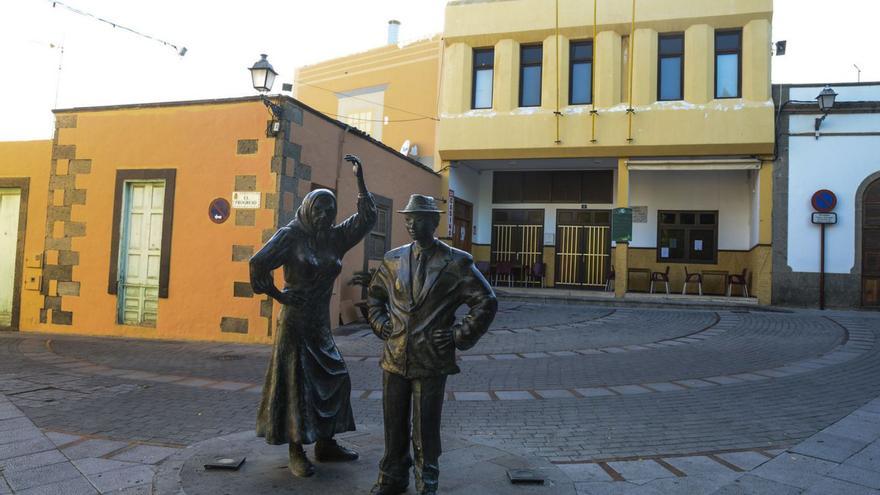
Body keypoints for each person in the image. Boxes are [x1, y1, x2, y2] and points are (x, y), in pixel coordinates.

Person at [250, 154, 376, 478]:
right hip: (295, 322)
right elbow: (257, 263)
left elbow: (366, 219)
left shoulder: (334, 237)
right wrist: (278, 295)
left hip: (320, 323)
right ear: (307, 209)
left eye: (329, 210)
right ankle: (296, 450)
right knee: (298, 387)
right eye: (318, 209)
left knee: (336, 378)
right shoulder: (291, 235)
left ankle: (326, 442)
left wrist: (359, 180)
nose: (324, 215)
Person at [366, 194, 497, 495]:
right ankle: (392, 475)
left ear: (435, 222)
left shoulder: (455, 262)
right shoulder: (392, 259)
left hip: (431, 356)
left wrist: (457, 335)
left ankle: (427, 477)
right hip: (395, 356)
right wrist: (379, 323)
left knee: (426, 426)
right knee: (393, 423)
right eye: (409, 219)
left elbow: (486, 301)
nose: (412, 225)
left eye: (420, 219)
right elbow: (375, 296)